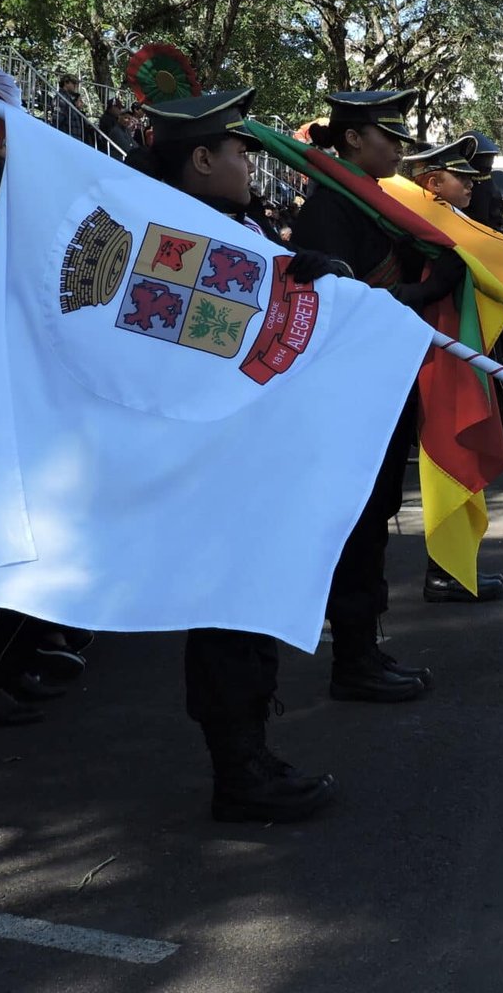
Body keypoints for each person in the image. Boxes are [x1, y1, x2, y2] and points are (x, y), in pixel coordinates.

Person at [126, 90, 339, 822]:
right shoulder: (169, 237)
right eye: (239, 149)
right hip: (212, 465)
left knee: (253, 610)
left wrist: (309, 277)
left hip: (255, 459)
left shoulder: (236, 225)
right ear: (202, 158)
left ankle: (253, 751)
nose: (250, 161)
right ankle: (238, 769)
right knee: (225, 616)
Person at [292, 89, 449, 703]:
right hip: (348, 395)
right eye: (388, 136)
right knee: (358, 525)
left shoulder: (374, 204)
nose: (399, 148)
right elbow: (345, 305)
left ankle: (364, 649)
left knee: (376, 518)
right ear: (353, 139)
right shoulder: (333, 208)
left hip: (380, 385)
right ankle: (353, 658)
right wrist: (429, 290)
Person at [402, 136, 503, 605]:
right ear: (432, 183)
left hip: (444, 352)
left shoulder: (445, 227)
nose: (471, 185)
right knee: (448, 449)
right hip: (432, 359)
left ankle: (452, 567)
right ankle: (444, 572)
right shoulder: (424, 230)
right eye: (460, 178)